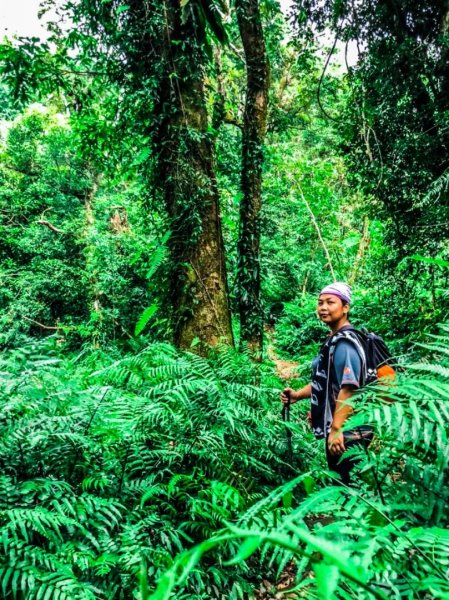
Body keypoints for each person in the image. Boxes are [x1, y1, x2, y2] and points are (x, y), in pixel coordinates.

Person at [281, 282, 370, 485]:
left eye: (330, 302)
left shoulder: (345, 342)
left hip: (349, 429)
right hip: (342, 428)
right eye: (320, 303)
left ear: (345, 307)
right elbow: (325, 381)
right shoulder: (333, 339)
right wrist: (297, 395)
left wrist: (337, 428)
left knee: (348, 488)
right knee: (344, 483)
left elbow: (349, 387)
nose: (323, 307)